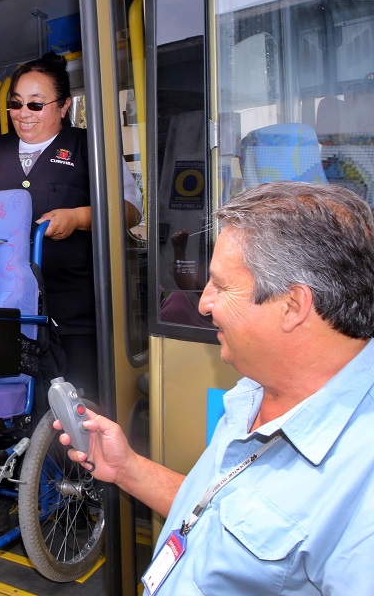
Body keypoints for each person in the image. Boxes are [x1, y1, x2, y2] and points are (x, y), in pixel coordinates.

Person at [57, 182, 374, 594]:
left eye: (222, 287)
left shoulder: (361, 479)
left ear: (293, 306)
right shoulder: (254, 391)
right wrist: (127, 469)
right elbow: (219, 514)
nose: (204, 303)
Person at [0, 52, 143, 404]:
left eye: (36, 104)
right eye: (16, 103)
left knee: (80, 405)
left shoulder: (90, 145)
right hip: (5, 309)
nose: (23, 113)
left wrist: (78, 218)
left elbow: (131, 210)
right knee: (17, 405)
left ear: (63, 106)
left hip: (74, 310)